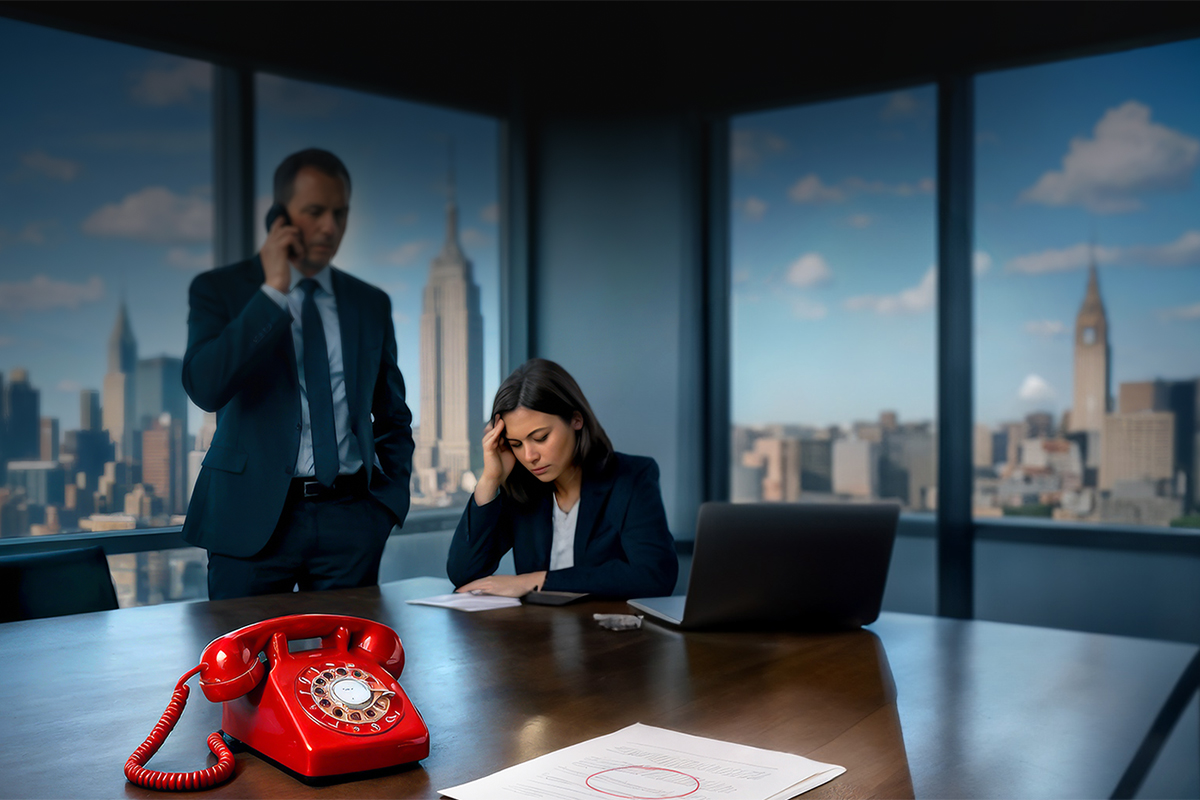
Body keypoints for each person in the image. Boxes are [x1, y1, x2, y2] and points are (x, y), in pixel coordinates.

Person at [182, 148, 414, 600]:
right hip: (250, 520)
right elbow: (206, 387)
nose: (330, 227)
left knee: (348, 669)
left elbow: (391, 413)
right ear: (280, 217)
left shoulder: (369, 303)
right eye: (315, 212)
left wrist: (386, 506)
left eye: (340, 213)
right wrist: (272, 294)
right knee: (243, 668)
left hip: (351, 521)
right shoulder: (220, 291)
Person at [446, 358, 678, 598]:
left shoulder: (632, 477)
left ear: (576, 419)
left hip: (612, 632)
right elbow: (464, 573)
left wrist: (537, 581)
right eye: (516, 444)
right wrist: (490, 479)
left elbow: (655, 575)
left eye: (541, 437)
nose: (529, 456)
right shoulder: (522, 488)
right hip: (537, 632)